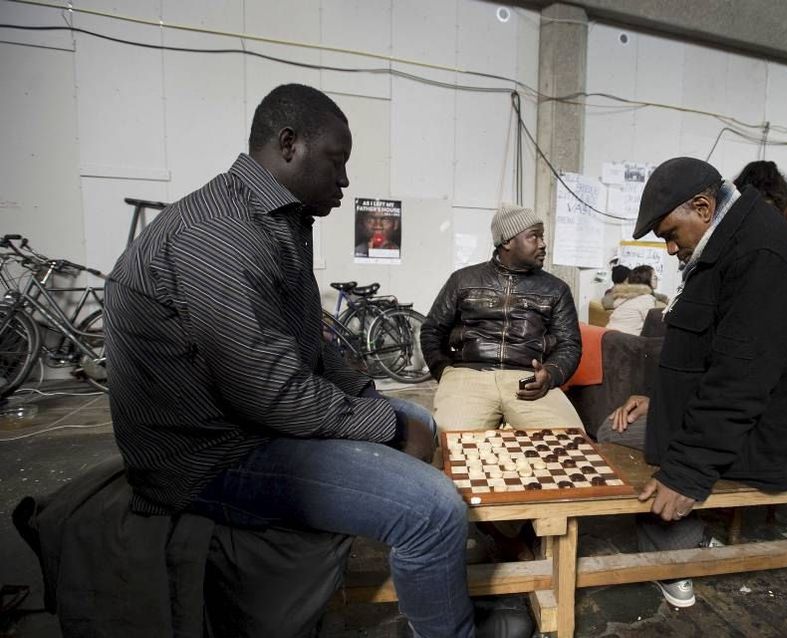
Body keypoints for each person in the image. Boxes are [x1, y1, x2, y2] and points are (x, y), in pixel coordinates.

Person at [104, 84, 486, 638]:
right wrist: (383, 427)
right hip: (208, 456)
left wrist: (372, 403)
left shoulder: (276, 219)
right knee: (433, 509)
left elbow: (311, 343)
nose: (346, 180)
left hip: (243, 427)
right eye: (337, 161)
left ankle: (427, 585)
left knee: (422, 421)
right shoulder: (218, 233)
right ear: (289, 145)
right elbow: (267, 388)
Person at [596, 157, 787, 608]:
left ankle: (674, 554)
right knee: (619, 425)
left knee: (628, 443)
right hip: (745, 421)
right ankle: (680, 534)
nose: (668, 249)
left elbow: (739, 382)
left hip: (770, 438)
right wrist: (658, 399)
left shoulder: (762, 255)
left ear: (703, 207)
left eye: (669, 234)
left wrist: (685, 475)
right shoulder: (732, 241)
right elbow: (712, 351)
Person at [421, 203, 583, 431]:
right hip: (468, 376)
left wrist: (551, 375)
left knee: (570, 441)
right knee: (451, 443)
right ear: (507, 241)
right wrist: (444, 371)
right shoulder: (463, 280)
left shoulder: (556, 289)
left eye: (542, 237)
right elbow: (432, 330)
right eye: (534, 237)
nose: (543, 244)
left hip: (528, 378)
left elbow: (569, 344)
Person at [605, 265, 666, 335]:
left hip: (608, 335)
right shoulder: (646, 298)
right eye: (654, 277)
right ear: (646, 279)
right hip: (625, 339)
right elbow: (653, 323)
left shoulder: (625, 296)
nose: (656, 279)